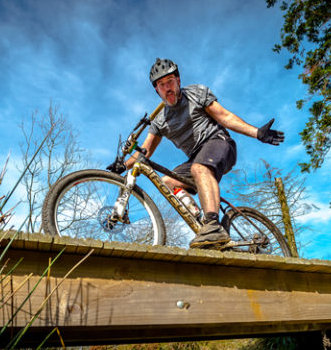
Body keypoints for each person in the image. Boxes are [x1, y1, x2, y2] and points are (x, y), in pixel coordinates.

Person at [111, 58, 284, 249]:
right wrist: (121, 166)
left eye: (170, 81)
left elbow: (224, 117)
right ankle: (201, 219)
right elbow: (144, 152)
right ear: (157, 90)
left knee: (199, 167)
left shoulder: (195, 93)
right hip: (195, 158)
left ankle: (212, 225)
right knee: (167, 181)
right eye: (162, 85)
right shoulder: (159, 121)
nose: (167, 88)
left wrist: (257, 132)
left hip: (218, 142)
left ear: (178, 80)